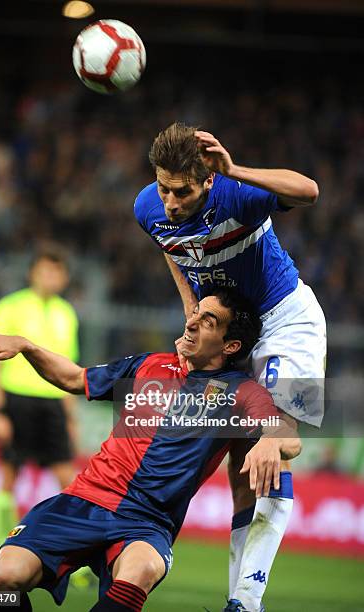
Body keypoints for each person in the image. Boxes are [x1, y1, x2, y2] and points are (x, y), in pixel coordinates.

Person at [0, 288, 301, 612]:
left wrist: (270, 439)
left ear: (230, 345)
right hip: (85, 499)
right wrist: (27, 346)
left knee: (142, 568)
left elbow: (290, 435)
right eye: (195, 313)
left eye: (208, 321)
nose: (191, 322)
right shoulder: (149, 365)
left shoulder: (241, 391)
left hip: (147, 522)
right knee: (3, 578)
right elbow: (75, 379)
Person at [134, 123, 326, 611]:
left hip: (285, 320)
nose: (171, 201)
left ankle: (246, 600)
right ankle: (241, 601)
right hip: (231, 335)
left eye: (183, 191)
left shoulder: (239, 195)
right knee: (243, 471)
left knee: (277, 446)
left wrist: (236, 168)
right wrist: (191, 312)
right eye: (164, 188)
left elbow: (309, 191)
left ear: (208, 181)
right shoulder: (147, 208)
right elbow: (173, 252)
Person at [0, 248, 79, 550]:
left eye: (56, 272)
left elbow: (70, 370)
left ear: (64, 278)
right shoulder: (10, 306)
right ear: (33, 273)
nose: (50, 278)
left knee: (70, 480)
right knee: (9, 479)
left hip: (52, 403)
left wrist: (70, 417)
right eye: (44, 271)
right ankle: (4, 548)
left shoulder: (67, 313)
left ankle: (71, 552)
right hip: (17, 400)